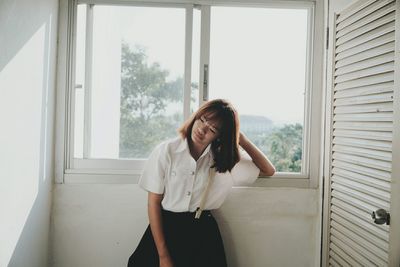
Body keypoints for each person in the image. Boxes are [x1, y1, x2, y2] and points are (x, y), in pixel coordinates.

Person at [128, 99, 275, 267]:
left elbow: (268, 170)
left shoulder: (222, 159)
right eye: (202, 119)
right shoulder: (167, 151)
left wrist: (240, 138)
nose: (202, 129)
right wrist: (163, 256)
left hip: (203, 232)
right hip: (167, 228)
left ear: (220, 135)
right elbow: (153, 203)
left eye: (212, 129)